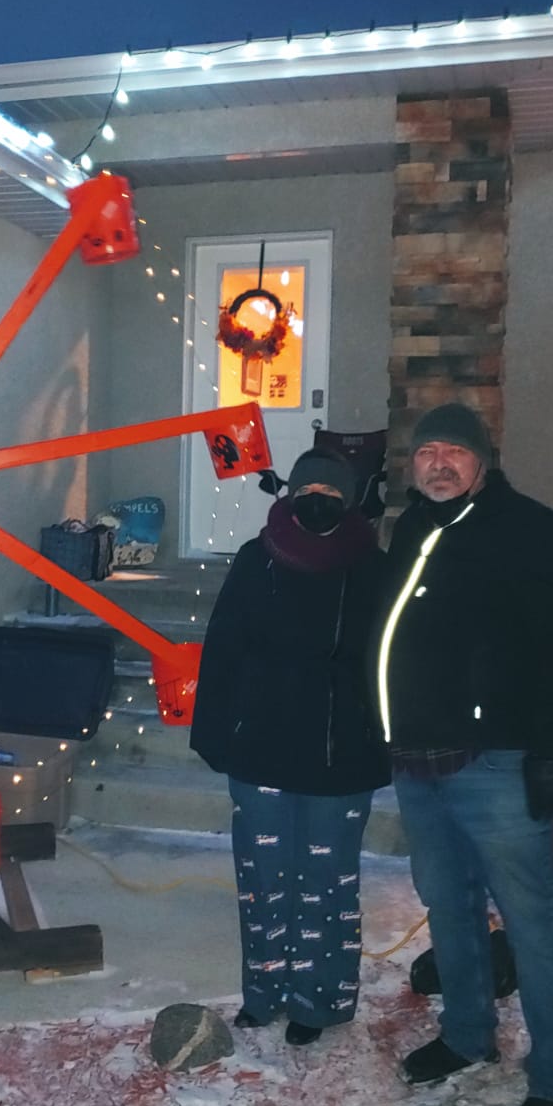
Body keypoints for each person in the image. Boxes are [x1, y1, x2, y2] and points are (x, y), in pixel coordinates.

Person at [375, 402, 553, 1106]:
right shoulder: (411, 529)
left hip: (498, 762)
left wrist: (549, 761)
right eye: (426, 452)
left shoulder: (533, 533)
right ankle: (468, 1035)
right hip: (418, 760)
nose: (438, 463)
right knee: (449, 906)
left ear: (483, 461)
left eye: (454, 452)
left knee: (534, 925)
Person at [190, 446, 389, 1046]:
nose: (319, 504)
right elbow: (223, 646)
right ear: (290, 497)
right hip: (263, 751)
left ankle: (319, 1001)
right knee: (265, 879)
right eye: (310, 494)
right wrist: (219, 734)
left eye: (333, 497)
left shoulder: (373, 569)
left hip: (340, 754)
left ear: (350, 504)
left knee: (326, 884)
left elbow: (387, 660)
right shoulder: (259, 560)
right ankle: (265, 992)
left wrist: (382, 736)